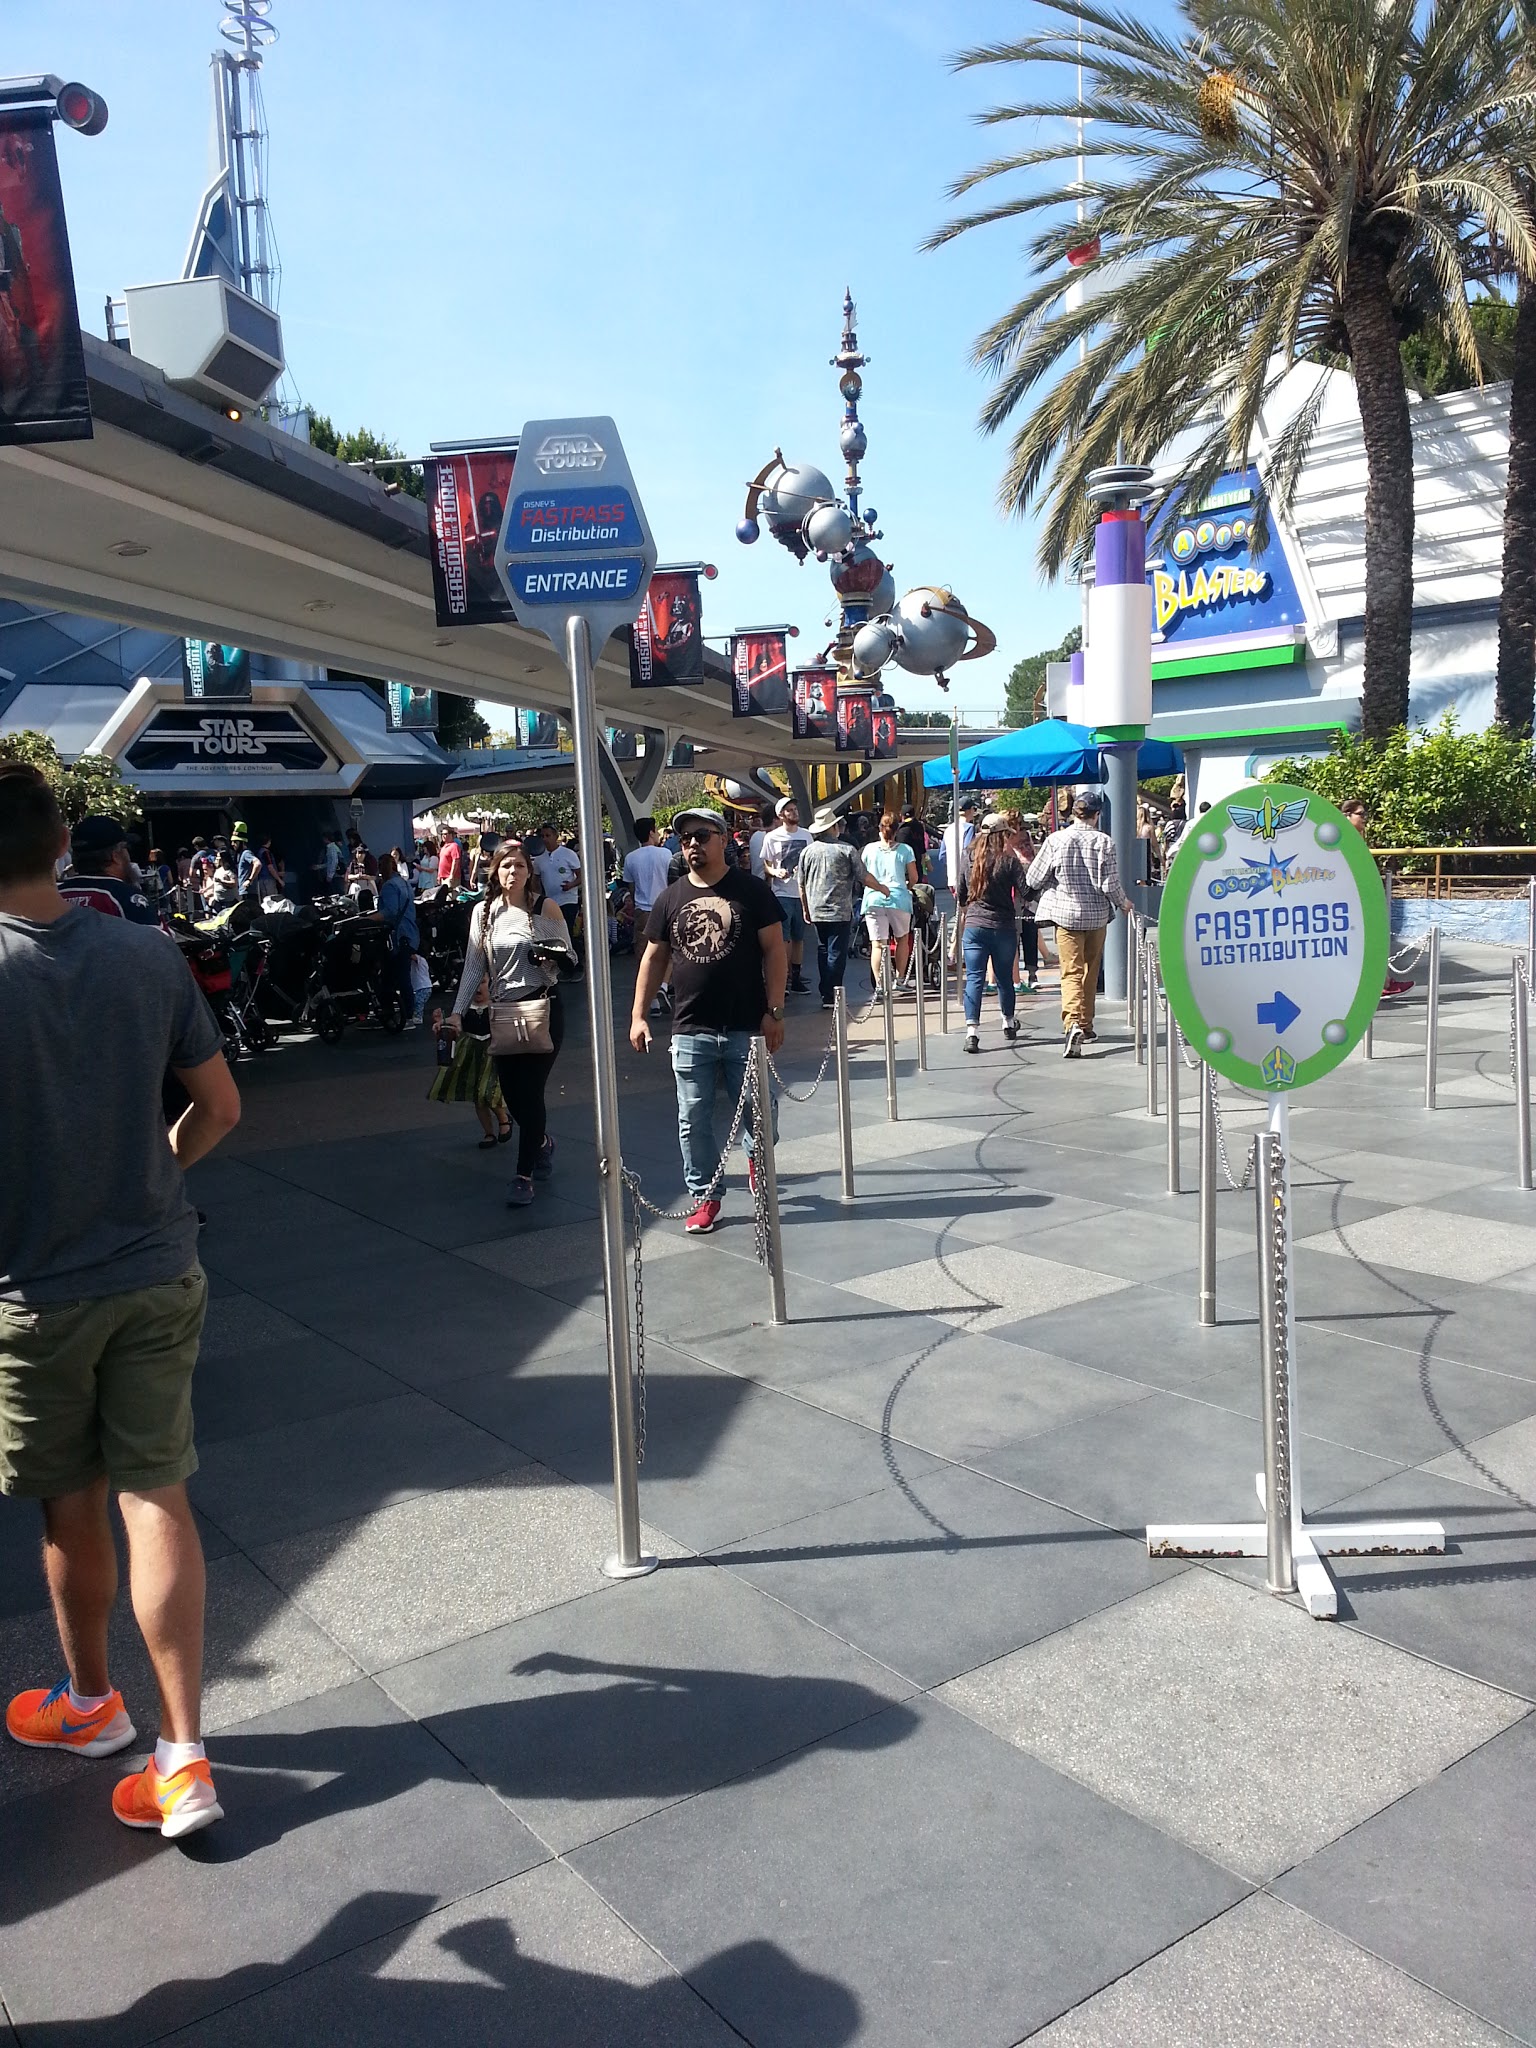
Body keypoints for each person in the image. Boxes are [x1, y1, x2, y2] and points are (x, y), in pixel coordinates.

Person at [0, 762, 241, 1840]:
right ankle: (182, 1758)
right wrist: (156, 1172)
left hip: (32, 1290)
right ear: (63, 843)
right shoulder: (145, 954)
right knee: (158, 1496)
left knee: (70, 1502)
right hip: (154, 1269)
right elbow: (220, 1107)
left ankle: (92, 1703)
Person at [630, 806, 786, 1236]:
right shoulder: (671, 897)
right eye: (685, 839)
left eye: (701, 836)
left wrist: (774, 1011)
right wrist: (639, 1015)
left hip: (746, 1026)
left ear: (722, 839)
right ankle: (704, 1196)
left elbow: (775, 950)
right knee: (693, 1119)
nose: (693, 845)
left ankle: (757, 1161)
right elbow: (653, 958)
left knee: (760, 1110)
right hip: (690, 1026)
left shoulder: (751, 891)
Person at [445, 843, 574, 1206]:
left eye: (519, 865)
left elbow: (571, 958)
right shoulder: (484, 912)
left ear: (529, 871)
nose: (512, 872)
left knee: (530, 1092)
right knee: (512, 1096)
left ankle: (523, 1175)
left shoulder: (544, 908)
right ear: (495, 871)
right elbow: (474, 966)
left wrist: (549, 955)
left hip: (542, 1008)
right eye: (505, 866)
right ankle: (542, 1141)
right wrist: (457, 1012)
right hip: (503, 1013)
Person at [1026, 788, 1133, 1057]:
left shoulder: (1055, 840)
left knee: (1070, 972)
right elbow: (1110, 884)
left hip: (1065, 913)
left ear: (1074, 813)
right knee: (1090, 971)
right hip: (1096, 915)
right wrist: (1123, 903)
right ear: (1097, 815)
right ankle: (1085, 1024)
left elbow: (1034, 878)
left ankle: (1072, 1023)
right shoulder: (1105, 842)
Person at [797, 810, 887, 1008]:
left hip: (816, 908)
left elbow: (801, 883)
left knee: (823, 949)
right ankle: (833, 992)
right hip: (839, 909)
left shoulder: (807, 852)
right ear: (833, 827)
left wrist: (805, 908)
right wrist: (882, 888)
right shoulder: (846, 850)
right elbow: (863, 876)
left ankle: (826, 991)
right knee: (836, 952)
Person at [959, 824, 1033, 1053]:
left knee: (974, 978)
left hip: (974, 926)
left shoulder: (968, 857)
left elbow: (961, 893)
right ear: (1002, 836)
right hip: (1003, 927)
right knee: (1004, 978)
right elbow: (1027, 892)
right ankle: (1008, 1022)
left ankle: (972, 1032)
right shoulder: (1009, 861)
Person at [1343, 800, 1414, 996]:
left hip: (1360, 899)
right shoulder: (1344, 839)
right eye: (1360, 814)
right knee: (1367, 944)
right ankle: (1382, 984)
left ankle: (1384, 982)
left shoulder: (1355, 838)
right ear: (1347, 815)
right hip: (1353, 901)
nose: (1365, 818)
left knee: (1371, 944)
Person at [59, 815, 158, 925]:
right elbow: (158, 935)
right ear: (116, 856)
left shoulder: (56, 896)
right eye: (126, 848)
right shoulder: (127, 899)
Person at [861, 811, 918, 993]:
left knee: (877, 944)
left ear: (880, 828)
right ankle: (900, 979)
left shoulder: (869, 849)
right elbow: (914, 877)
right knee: (902, 939)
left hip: (873, 899)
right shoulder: (905, 850)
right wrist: (907, 886)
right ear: (896, 830)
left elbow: (862, 873)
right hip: (898, 899)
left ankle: (879, 985)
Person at [761, 795, 813, 995]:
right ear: (781, 815)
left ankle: (796, 977)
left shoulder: (806, 835)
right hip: (781, 893)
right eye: (789, 810)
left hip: (802, 893)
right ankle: (784, 977)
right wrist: (775, 872)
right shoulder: (771, 837)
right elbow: (766, 865)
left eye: (795, 809)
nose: (794, 812)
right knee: (784, 939)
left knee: (799, 937)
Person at [375, 852, 420, 1026]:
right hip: (411, 933)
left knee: (393, 976)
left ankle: (401, 1014)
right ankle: (408, 1014)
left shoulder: (389, 886)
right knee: (402, 976)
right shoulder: (404, 883)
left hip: (398, 936)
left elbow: (390, 912)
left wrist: (366, 919)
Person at [534, 820, 582, 965]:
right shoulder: (539, 858)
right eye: (542, 836)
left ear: (556, 836)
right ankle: (561, 963)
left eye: (548, 835)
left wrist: (571, 885)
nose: (545, 839)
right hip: (550, 902)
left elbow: (581, 875)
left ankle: (574, 962)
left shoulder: (568, 854)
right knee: (554, 934)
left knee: (567, 931)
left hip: (568, 899)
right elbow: (536, 880)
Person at [941, 797, 979, 906]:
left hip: (952, 876)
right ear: (970, 810)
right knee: (968, 909)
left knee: (960, 909)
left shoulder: (948, 830)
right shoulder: (969, 828)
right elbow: (968, 852)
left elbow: (942, 855)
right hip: (966, 877)